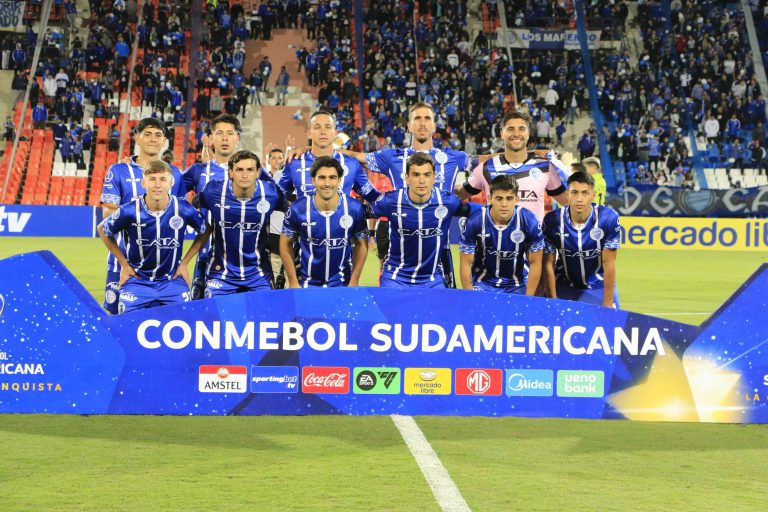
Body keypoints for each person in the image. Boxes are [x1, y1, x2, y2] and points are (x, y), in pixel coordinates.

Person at [98, 160, 209, 313]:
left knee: (184, 323)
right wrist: (124, 264)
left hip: (172, 282)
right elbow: (102, 229)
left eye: (162, 179)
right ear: (143, 183)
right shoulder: (129, 210)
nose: (157, 185)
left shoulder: (183, 209)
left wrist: (184, 263)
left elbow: (205, 230)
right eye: (152, 179)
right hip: (137, 282)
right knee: (128, 325)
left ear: (170, 183)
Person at [99, 117, 186, 314]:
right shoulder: (119, 170)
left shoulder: (175, 174)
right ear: (137, 138)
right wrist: (140, 216)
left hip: (166, 268)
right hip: (124, 262)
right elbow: (108, 213)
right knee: (119, 320)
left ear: (164, 141)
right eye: (147, 134)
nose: (153, 139)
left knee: (170, 321)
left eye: (158, 135)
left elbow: (179, 213)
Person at [371, 152, 475, 288]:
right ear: (406, 178)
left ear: (434, 177)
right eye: (416, 175)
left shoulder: (448, 201)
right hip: (395, 277)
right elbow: (359, 213)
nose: (422, 181)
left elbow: (477, 211)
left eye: (427, 175)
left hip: (432, 279)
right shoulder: (390, 201)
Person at [197, 150, 287, 297]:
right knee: (216, 310)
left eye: (250, 170)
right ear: (230, 172)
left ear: (258, 172)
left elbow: (293, 215)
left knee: (265, 310)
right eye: (239, 170)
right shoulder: (213, 191)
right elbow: (191, 210)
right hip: (221, 273)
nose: (245, 175)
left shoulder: (271, 193)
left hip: (259, 274)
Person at [457, 110, 569, 221]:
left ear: (528, 133)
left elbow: (568, 202)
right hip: (496, 233)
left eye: (521, 129)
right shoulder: (486, 168)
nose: (516, 134)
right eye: (510, 129)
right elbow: (458, 194)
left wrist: (569, 176)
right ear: (502, 133)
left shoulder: (545, 167)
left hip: (533, 233)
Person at [280, 157, 368, 288]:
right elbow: (285, 243)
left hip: (342, 284)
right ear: (313, 180)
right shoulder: (298, 208)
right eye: (322, 177)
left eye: (332, 177)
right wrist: (292, 281)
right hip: (306, 284)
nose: (327, 183)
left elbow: (361, 244)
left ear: (339, 180)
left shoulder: (354, 208)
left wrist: (354, 280)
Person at [542, 171, 621, 308]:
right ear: (567, 194)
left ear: (593, 195)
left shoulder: (608, 218)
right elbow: (548, 264)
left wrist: (608, 303)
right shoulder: (552, 220)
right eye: (574, 193)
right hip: (564, 284)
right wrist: (552, 300)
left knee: (611, 320)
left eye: (585, 193)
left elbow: (609, 264)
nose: (579, 199)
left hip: (598, 285)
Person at [459, 175, 544, 294]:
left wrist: (528, 298)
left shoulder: (530, 221)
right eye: (499, 198)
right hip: (483, 282)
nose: (504, 204)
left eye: (509, 198)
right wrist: (470, 295)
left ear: (516, 199)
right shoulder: (474, 222)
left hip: (517, 283)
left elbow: (535, 263)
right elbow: (465, 264)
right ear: (490, 199)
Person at [278, 110, 379, 203]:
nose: (323, 131)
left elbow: (374, 199)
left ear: (335, 133)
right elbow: (277, 197)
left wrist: (358, 211)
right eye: (317, 127)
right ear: (309, 133)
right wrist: (293, 212)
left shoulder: (352, 164)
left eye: (328, 127)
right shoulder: (294, 163)